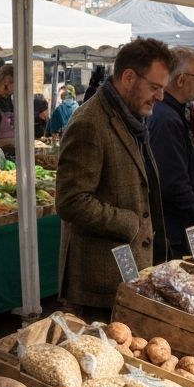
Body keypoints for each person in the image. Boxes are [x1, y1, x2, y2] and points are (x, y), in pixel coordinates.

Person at [55, 38, 175, 314]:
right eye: (155, 87)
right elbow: (71, 201)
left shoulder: (133, 120)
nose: (160, 96)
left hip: (132, 273)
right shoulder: (89, 123)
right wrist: (130, 223)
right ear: (129, 77)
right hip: (100, 283)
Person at [147, 48, 194, 259]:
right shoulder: (166, 119)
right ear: (180, 80)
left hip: (181, 228)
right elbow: (173, 183)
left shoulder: (172, 114)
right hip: (175, 232)